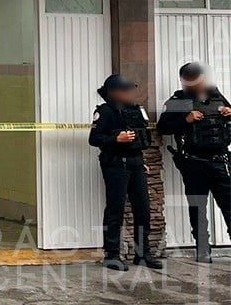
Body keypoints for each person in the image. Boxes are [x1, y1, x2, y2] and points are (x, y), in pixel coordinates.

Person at [158, 62, 231, 263]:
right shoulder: (179, 101)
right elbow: (162, 127)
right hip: (194, 163)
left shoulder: (215, 95)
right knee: (198, 206)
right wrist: (185, 120)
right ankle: (202, 249)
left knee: (229, 204)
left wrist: (228, 112)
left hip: (220, 160)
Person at [88, 74, 162, 271]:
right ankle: (111, 254)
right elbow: (94, 138)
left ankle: (143, 253)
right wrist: (116, 139)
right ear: (114, 92)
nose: (130, 92)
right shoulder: (105, 112)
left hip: (135, 163)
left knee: (143, 209)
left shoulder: (136, 110)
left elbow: (141, 136)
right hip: (115, 165)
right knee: (115, 209)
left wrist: (141, 160)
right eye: (125, 89)